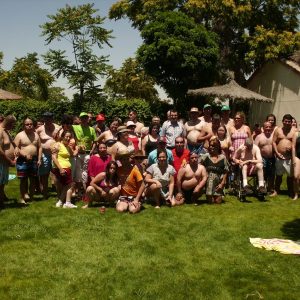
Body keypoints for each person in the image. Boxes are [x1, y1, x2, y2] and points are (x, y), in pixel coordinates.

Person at [14, 118, 42, 204]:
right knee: (23, 180)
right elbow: (16, 148)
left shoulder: (36, 135)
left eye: (31, 124)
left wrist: (39, 159)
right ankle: (22, 198)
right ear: (24, 125)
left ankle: (32, 197)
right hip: (22, 160)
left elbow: (40, 147)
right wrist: (24, 155)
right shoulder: (19, 135)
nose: (29, 125)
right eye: (27, 124)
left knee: (33, 179)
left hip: (34, 159)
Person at [272, 114, 297, 197]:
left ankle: (290, 191)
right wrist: (277, 153)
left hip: (290, 157)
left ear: (291, 122)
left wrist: (293, 148)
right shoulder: (278, 130)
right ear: (282, 121)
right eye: (285, 121)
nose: (287, 123)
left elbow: (298, 142)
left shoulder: (295, 131)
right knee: (278, 175)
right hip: (279, 156)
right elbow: (274, 142)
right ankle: (276, 191)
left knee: (290, 176)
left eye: (289, 121)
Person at [36, 112, 59, 199]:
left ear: (52, 118)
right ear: (44, 119)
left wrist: (58, 130)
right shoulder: (40, 129)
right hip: (44, 154)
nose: (48, 119)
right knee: (44, 175)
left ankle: (59, 192)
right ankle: (45, 192)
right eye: (46, 118)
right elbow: (35, 141)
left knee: (56, 174)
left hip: (56, 154)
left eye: (49, 118)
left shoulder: (57, 127)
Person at [72, 112, 97, 192]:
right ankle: (77, 190)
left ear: (88, 119)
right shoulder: (75, 127)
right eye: (82, 118)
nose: (84, 119)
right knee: (77, 171)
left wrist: (92, 151)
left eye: (85, 118)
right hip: (78, 153)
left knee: (85, 171)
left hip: (87, 153)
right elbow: (65, 126)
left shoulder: (91, 129)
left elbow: (95, 141)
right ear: (80, 119)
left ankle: (84, 190)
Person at [51, 131, 77, 208]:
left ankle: (61, 202)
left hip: (67, 168)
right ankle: (66, 202)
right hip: (62, 168)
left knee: (66, 185)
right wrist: (60, 169)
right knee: (70, 184)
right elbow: (53, 157)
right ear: (62, 137)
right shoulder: (58, 145)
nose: (68, 138)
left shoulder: (68, 147)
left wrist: (78, 149)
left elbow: (73, 154)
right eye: (66, 136)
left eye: (69, 137)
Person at [200, 137, 229, 204]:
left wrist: (222, 183)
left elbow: (226, 170)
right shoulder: (206, 156)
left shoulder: (223, 157)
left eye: (213, 146)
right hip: (208, 181)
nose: (211, 147)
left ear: (218, 147)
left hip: (219, 182)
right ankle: (208, 193)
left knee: (218, 202)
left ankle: (219, 193)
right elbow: (198, 165)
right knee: (211, 202)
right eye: (210, 145)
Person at [0, 115, 16, 207]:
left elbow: (11, 143)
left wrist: (16, 149)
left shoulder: (6, 131)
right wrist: (9, 160)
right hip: (1, 162)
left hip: (4, 163)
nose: (13, 127)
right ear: (9, 123)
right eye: (13, 124)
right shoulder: (0, 131)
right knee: (0, 184)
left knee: (2, 184)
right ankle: (1, 204)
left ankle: (2, 202)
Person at [255, 121, 275, 193]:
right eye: (266, 127)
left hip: (272, 158)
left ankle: (270, 188)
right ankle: (260, 187)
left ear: (272, 128)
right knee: (263, 173)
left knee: (272, 174)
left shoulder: (274, 136)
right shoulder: (259, 137)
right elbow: (255, 148)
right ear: (263, 128)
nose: (268, 128)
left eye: (270, 127)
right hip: (262, 158)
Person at [292, 127, 300, 200]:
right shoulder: (296, 134)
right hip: (297, 157)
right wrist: (293, 158)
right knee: (296, 176)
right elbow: (293, 147)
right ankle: (296, 194)